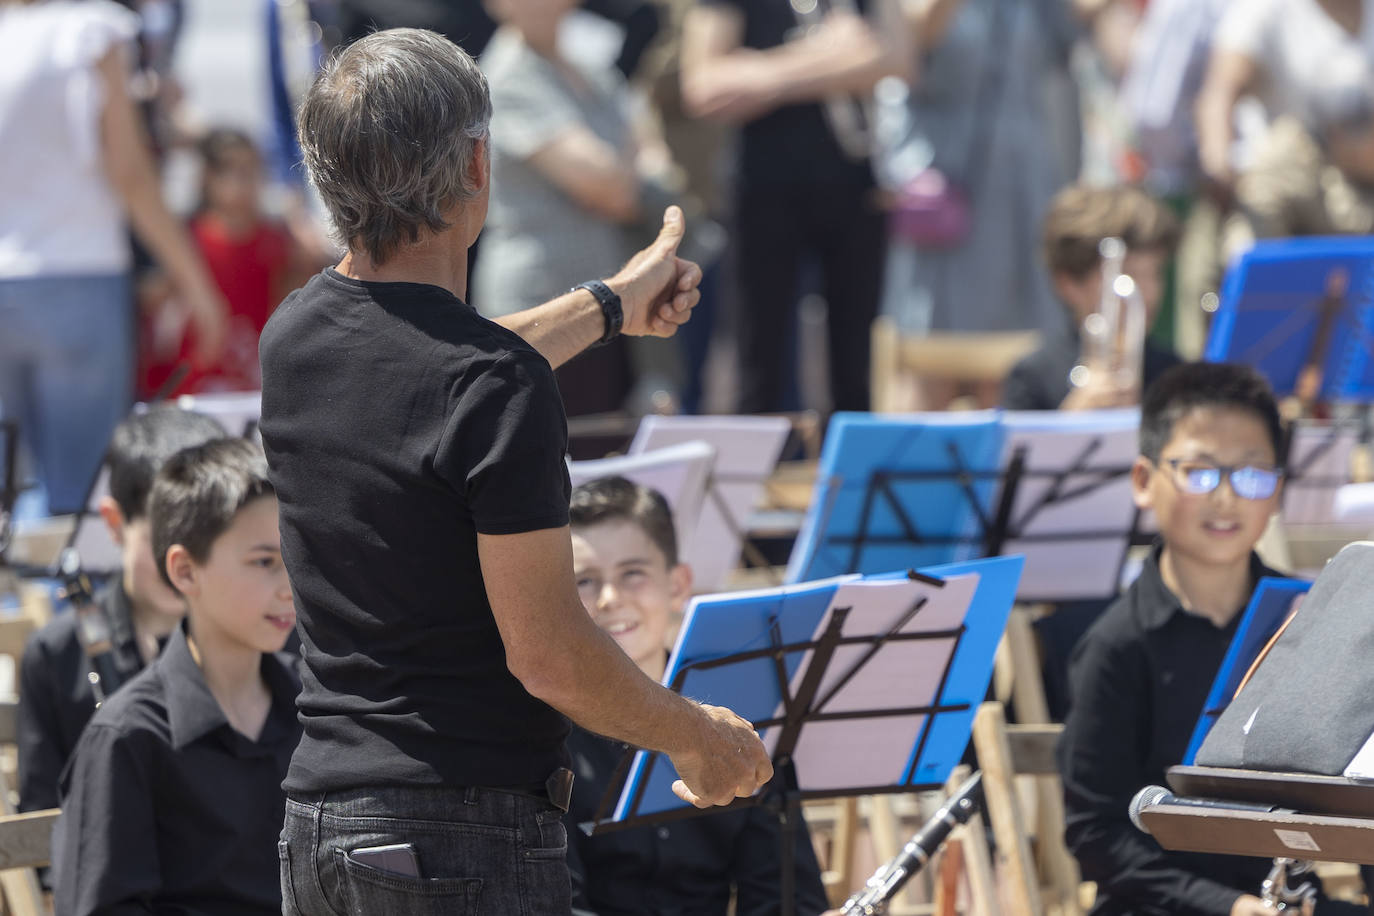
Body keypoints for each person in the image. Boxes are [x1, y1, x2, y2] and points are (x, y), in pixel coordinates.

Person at [259, 28, 770, 916]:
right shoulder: (495, 387)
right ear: (476, 166)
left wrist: (609, 306)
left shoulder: (295, 334)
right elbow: (551, 660)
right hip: (459, 833)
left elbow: (438, 371)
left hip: (319, 828)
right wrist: (698, 737)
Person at [1057, 362, 1331, 916]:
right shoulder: (1116, 645)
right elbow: (1097, 834)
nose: (1227, 498)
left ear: (1277, 488)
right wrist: (1224, 905)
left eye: (1253, 475)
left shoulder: (1310, 619)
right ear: (1142, 481)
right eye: (1201, 473)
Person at [51, 437, 300, 915]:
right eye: (265, 562)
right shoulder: (127, 740)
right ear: (185, 571)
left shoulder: (317, 706)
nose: (290, 587)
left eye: (296, 557)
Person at [565, 476, 830, 916]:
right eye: (584, 581)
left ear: (678, 585)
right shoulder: (539, 734)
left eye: (633, 573)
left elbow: (785, 899)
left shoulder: (740, 719)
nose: (611, 598)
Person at [0, 0, 225, 516]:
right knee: (82, 498)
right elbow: (128, 171)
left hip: (8, 283)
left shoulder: (9, 31)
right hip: (78, 278)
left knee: (19, 494)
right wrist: (197, 285)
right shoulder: (95, 30)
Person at [679, 0, 910, 414]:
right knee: (758, 364)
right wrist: (826, 55)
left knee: (856, 371)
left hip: (856, 188)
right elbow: (704, 87)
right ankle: (756, 474)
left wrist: (757, 76)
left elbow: (897, 57)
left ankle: (850, 476)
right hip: (762, 192)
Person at [18, 405, 226, 817]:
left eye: (206, 536)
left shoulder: (264, 638)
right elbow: (39, 827)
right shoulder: (55, 655)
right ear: (114, 523)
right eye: (163, 538)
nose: (183, 563)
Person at [142, 129, 306, 398]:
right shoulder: (186, 241)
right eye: (232, 170)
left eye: (253, 170)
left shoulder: (280, 242)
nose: (246, 181)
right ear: (207, 178)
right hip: (195, 382)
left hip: (256, 380)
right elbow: (153, 305)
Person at [1002, 183, 1182, 412]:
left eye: (1155, 273)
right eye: (1129, 275)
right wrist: (1072, 420)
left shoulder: (1172, 373)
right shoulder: (1033, 377)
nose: (1146, 293)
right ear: (1068, 283)